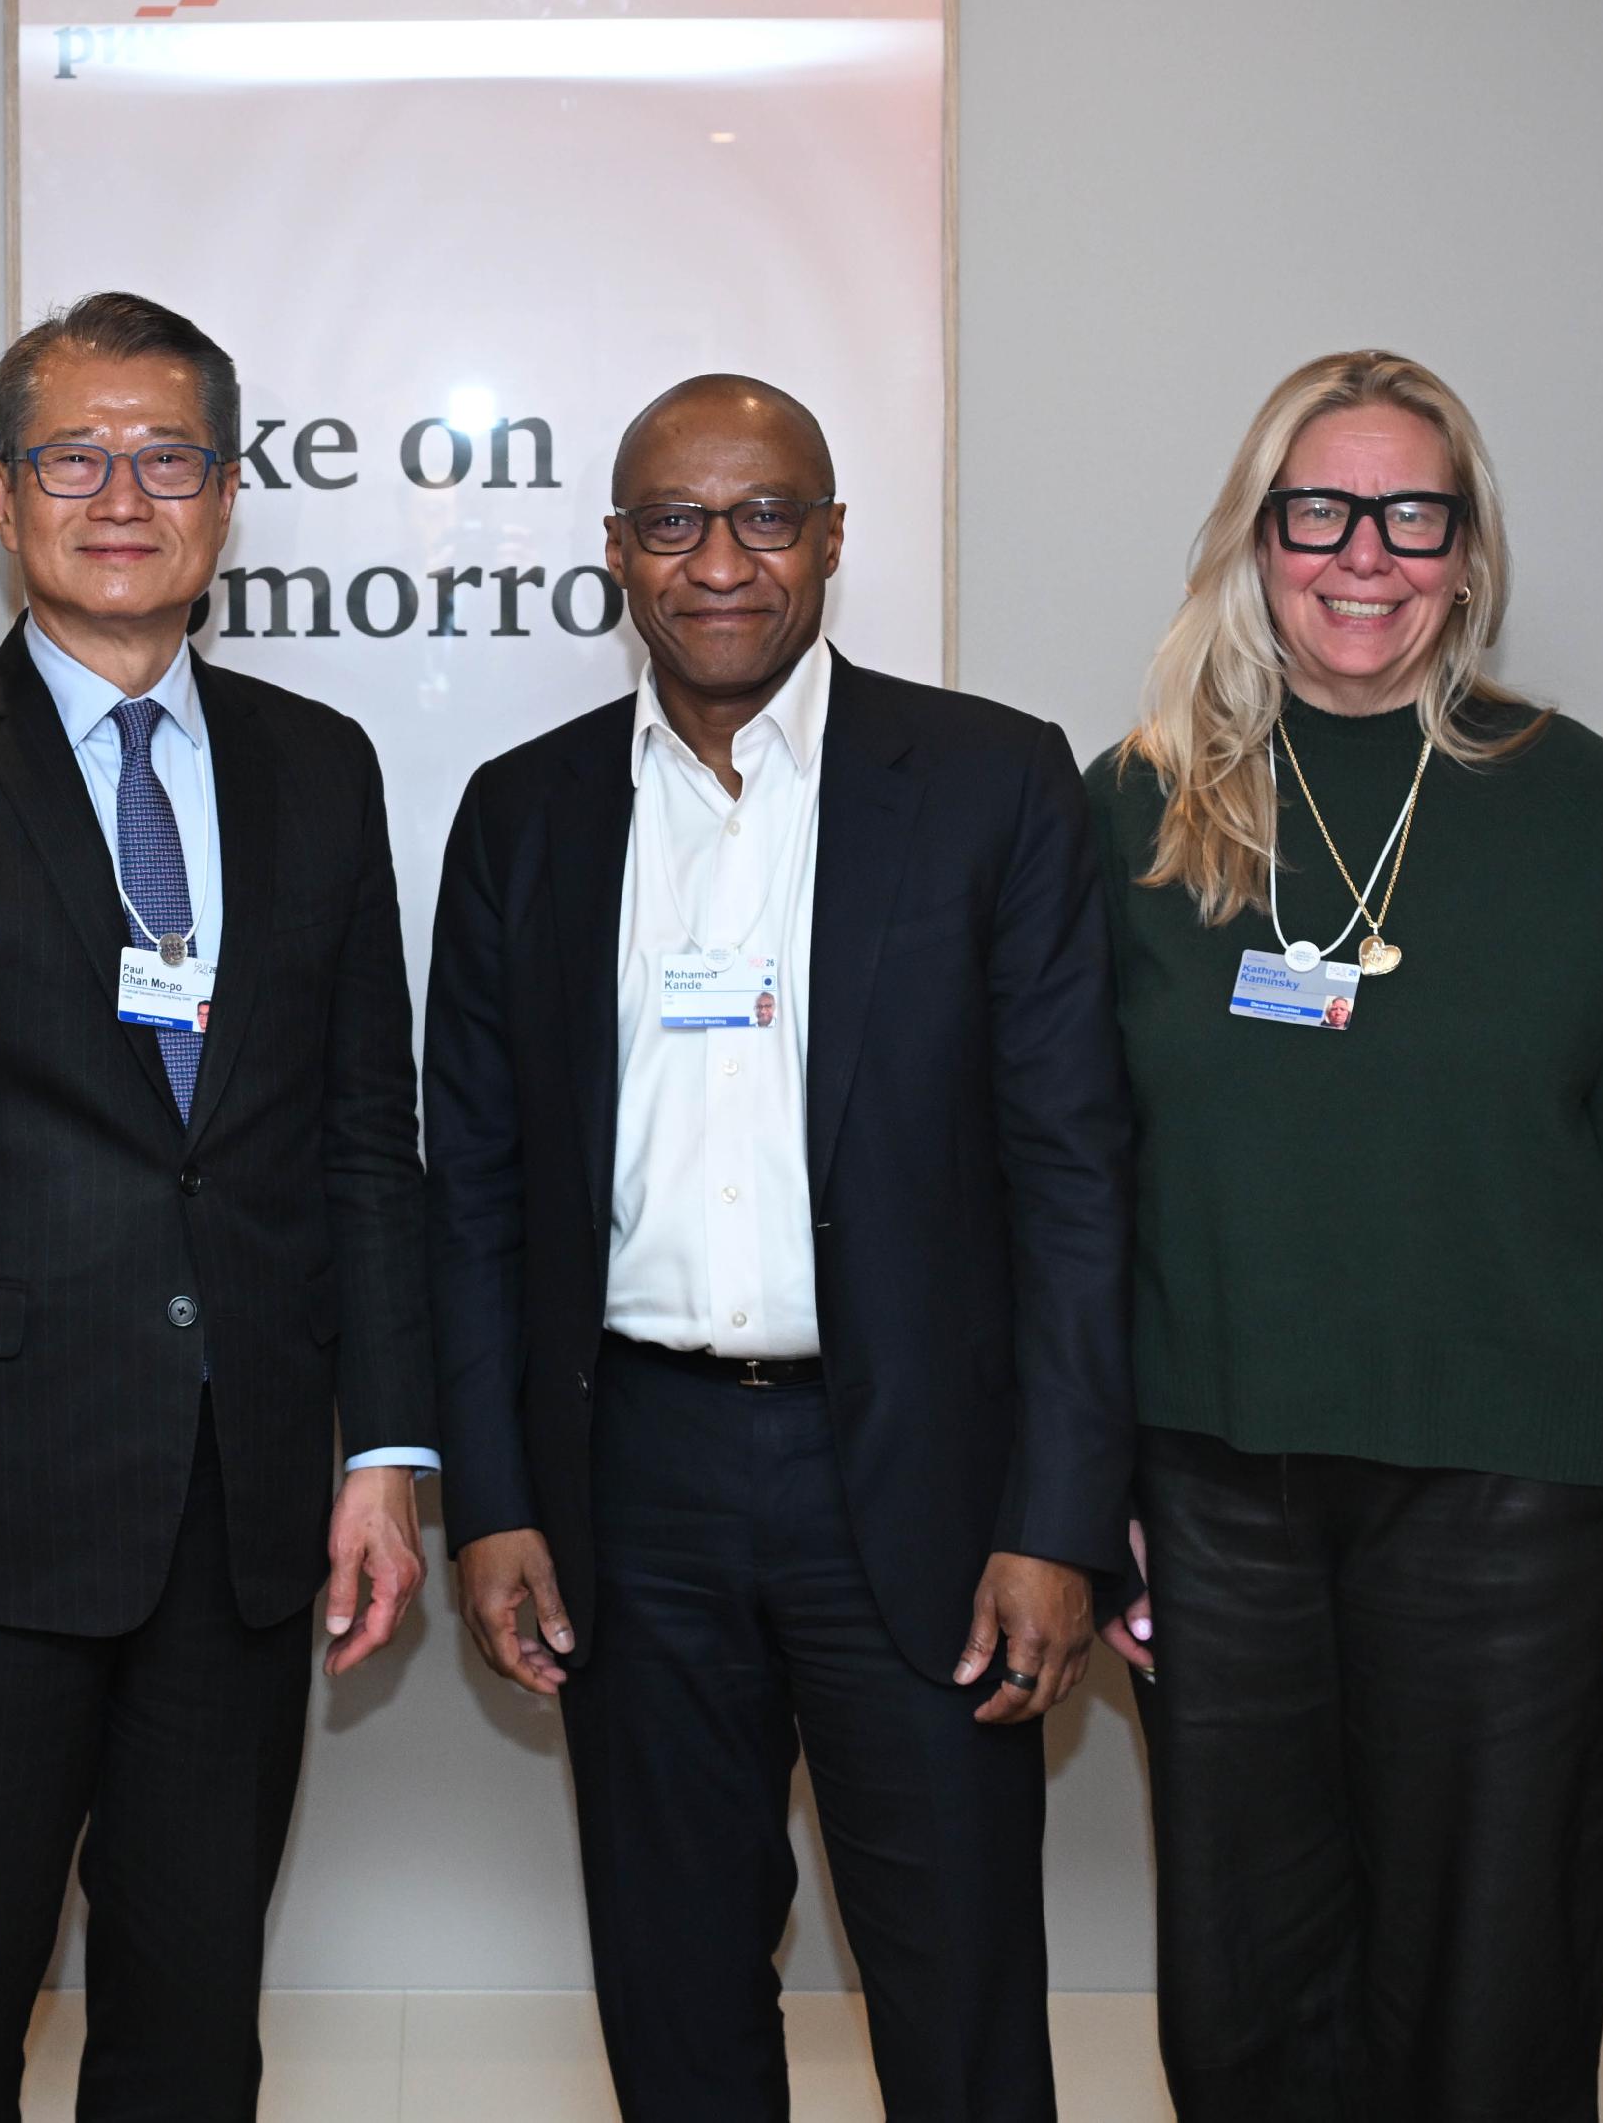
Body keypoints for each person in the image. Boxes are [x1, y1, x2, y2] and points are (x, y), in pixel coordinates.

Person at [0, 291, 438, 2121]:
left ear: (228, 495)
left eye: (168, 459)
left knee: (191, 2033)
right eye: (74, 457)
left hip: (242, 1516)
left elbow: (366, 1140)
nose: (122, 497)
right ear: (2, 494)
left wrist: (389, 1452)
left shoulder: (320, 766)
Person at [428, 375, 1131, 2121]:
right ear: (616, 551)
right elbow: (476, 1193)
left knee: (960, 1993)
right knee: (674, 1996)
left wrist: (1057, 1522)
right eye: (675, 521)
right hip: (633, 1482)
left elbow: (1074, 1178)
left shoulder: (990, 783)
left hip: (917, 1481)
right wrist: (495, 1498)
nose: (722, 561)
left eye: (765, 517)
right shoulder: (525, 814)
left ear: (831, 538)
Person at [1084, 350, 1603, 2120]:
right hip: (1216, 1495)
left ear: (1468, 553)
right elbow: (1068, 1189)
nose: (1363, 555)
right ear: (1257, 539)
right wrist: (1086, 1497)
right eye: (1319, 511)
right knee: (1244, 2009)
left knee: (1490, 2008)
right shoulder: (1137, 808)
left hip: (1517, 1508)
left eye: (1411, 514)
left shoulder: (1582, 803)